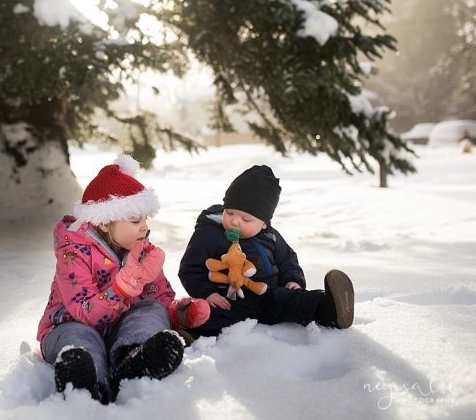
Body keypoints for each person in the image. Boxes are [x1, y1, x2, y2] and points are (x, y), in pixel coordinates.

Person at [37, 156, 209, 404]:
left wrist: (180, 313)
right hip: (67, 327)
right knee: (81, 337)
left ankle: (134, 359)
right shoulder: (73, 252)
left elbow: (157, 298)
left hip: (120, 330)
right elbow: (84, 312)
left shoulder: (141, 250)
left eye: (146, 219)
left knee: (150, 308)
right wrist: (123, 286)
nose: (145, 227)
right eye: (135, 220)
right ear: (106, 223)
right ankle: (86, 379)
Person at [179, 164, 354, 338]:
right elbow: (190, 269)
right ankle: (186, 337)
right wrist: (208, 293)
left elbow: (288, 259)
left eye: (246, 219)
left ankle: (330, 310)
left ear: (264, 223)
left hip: (268, 296)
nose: (234, 221)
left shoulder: (271, 236)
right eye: (230, 213)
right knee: (208, 316)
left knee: (294, 300)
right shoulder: (209, 234)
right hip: (230, 301)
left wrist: (293, 280)